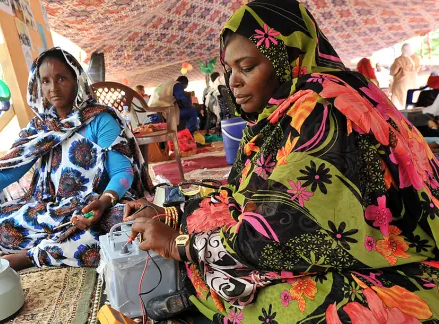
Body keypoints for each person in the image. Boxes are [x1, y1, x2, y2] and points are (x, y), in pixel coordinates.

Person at [123, 1, 439, 322]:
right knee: (217, 242)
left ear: (287, 59)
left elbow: (278, 234)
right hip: (312, 240)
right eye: (230, 69)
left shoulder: (322, 108)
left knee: (291, 304)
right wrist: (173, 214)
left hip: (394, 260)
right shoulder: (282, 113)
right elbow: (243, 195)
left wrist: (179, 244)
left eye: (247, 67)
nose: (233, 82)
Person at [0, 47, 152, 270]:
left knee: (126, 227)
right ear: (38, 85)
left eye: (62, 78)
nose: (54, 88)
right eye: (46, 81)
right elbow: (9, 169)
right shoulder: (40, 127)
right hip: (52, 209)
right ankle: (51, 248)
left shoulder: (100, 119)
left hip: (95, 207)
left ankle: (31, 257)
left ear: (77, 80)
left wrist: (103, 202)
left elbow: (123, 173)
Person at [391, 43, 421, 109]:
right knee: (413, 97)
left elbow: (393, 72)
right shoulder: (416, 58)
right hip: (413, 80)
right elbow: (418, 69)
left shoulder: (399, 59)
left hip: (402, 81)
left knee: (399, 100)